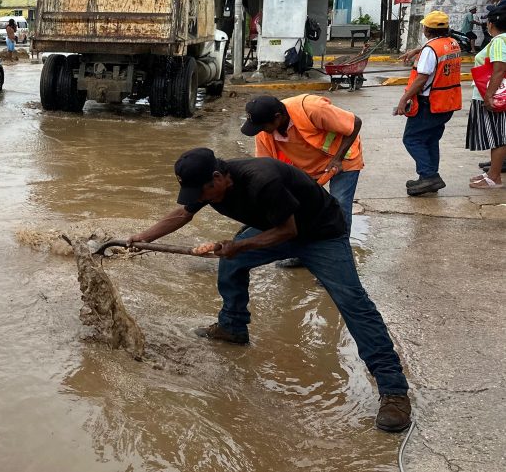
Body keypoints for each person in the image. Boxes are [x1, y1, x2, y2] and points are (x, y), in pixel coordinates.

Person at [125, 148, 412, 433]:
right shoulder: (207, 186)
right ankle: (232, 327)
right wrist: (142, 237)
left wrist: (239, 246)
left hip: (321, 234)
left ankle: (394, 391)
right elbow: (183, 214)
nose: (199, 200)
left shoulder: (264, 179)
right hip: (275, 229)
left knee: (353, 304)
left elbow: (289, 232)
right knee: (231, 266)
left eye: (201, 193)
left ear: (217, 177)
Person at [240, 94, 363, 233]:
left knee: (340, 206)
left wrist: (338, 158)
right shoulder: (263, 134)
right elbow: (264, 169)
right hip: (310, 165)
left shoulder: (311, 108)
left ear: (278, 117)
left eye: (263, 126)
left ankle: (341, 246)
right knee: (304, 208)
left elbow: (355, 123)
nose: (261, 130)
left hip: (342, 159)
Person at [395, 11, 463, 196]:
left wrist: (404, 100)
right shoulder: (452, 44)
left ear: (426, 29)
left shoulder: (431, 50)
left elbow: (421, 79)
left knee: (412, 139)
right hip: (447, 102)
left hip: (429, 103)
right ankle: (429, 176)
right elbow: (435, 51)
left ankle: (429, 176)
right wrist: (418, 51)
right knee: (431, 139)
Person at [467, 0, 506, 189]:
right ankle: (492, 173)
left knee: (498, 137)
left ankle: (494, 177)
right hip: (500, 93)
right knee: (497, 136)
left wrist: (489, 96)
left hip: (494, 95)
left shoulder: (499, 40)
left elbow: (499, 69)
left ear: (491, 24)